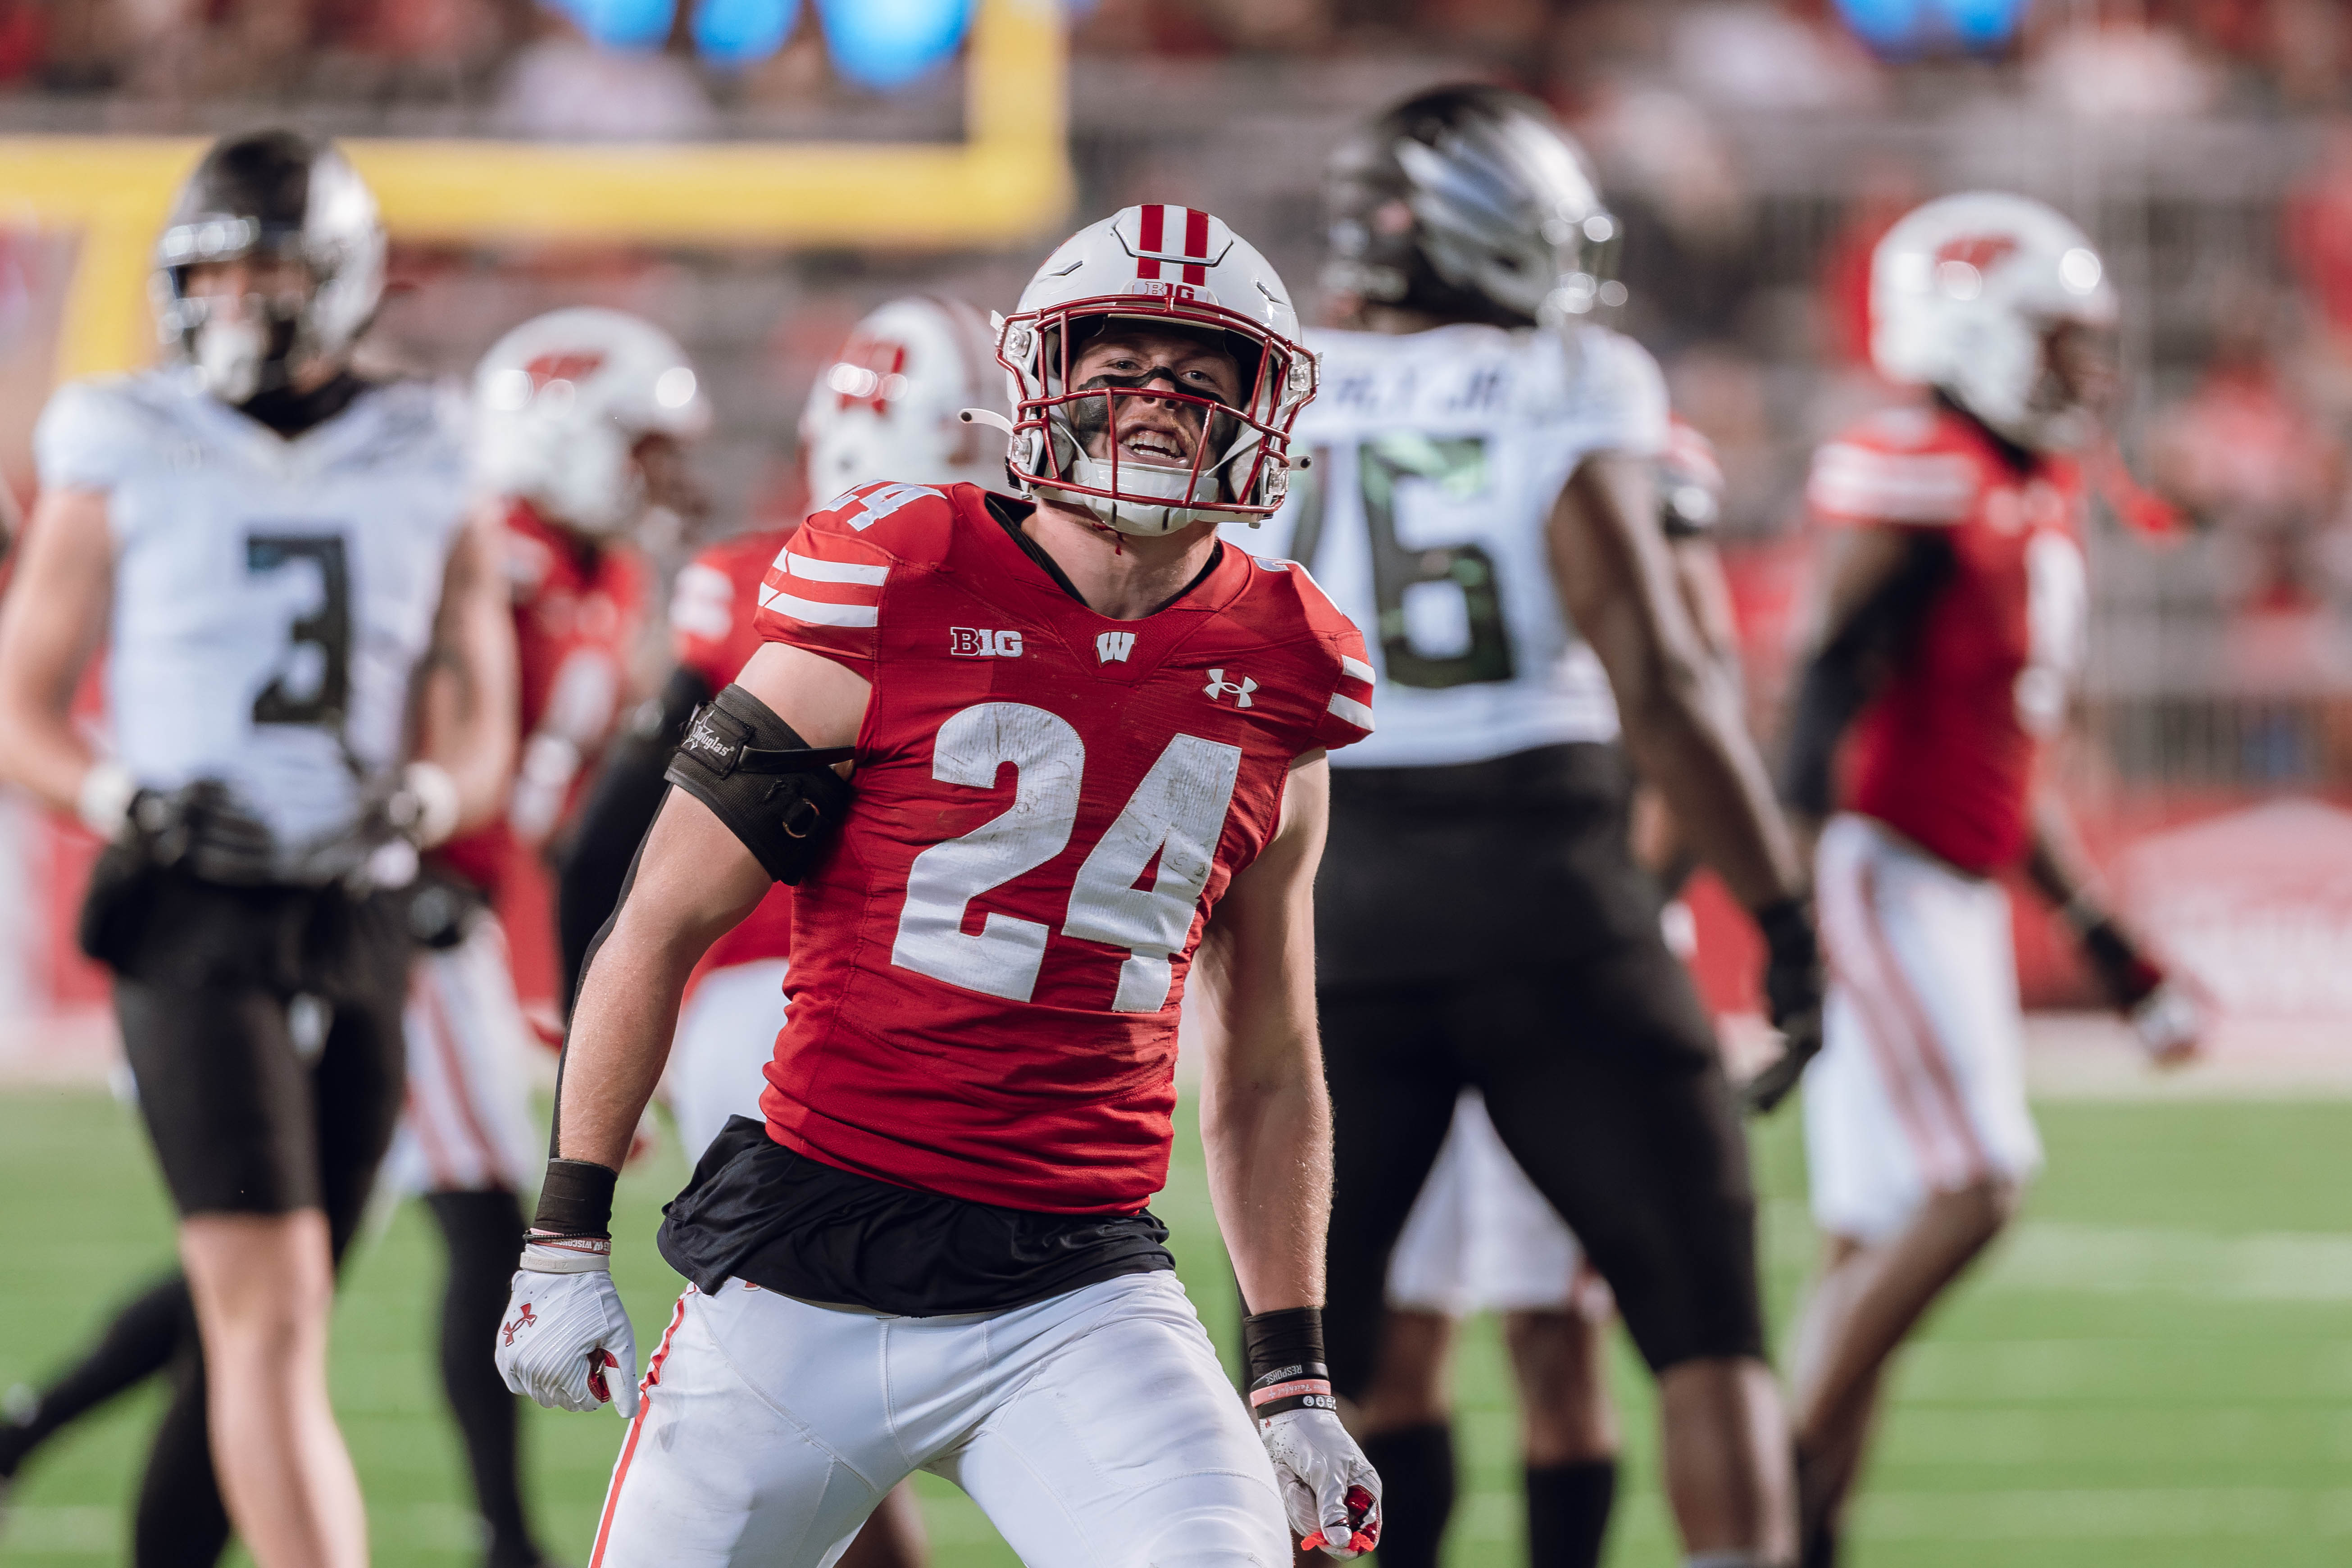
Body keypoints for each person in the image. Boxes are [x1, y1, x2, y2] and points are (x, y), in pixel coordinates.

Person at [497, 203, 1387, 1567]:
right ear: (1040, 387)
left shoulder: (1283, 664)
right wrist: (564, 1233)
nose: (1159, 413)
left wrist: (1292, 1373)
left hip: (1076, 1282)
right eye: (1121, 376)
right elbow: (661, 917)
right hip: (803, 1264)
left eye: (1202, 383)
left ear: (1260, 413)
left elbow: (1268, 1056)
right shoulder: (896, 577)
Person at [1242, 85, 1825, 1568]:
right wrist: (1781, 911)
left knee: (1309, 1370)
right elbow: (1663, 678)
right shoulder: (1571, 380)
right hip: (1550, 885)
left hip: (1328, 903)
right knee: (1706, 1332)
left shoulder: (1272, 386)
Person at [0, 128, 516, 1568]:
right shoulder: (121, 433)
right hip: (190, 905)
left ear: (341, 279)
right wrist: (116, 797)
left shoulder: (426, 439)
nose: (235, 300)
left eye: (268, 269)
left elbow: (482, 704)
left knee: (286, 1302)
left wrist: (427, 796)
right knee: (271, 1306)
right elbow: (16, 701)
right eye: (211, 273)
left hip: (355, 900)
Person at [1778, 191, 2201, 1568]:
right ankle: (1761, 1488)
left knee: (1871, 1240)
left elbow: (2004, 770)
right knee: (1977, 1183)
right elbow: (1817, 688)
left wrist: (2108, 944)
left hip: (1940, 884)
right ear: (1974, 332)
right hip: (1877, 873)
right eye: (2059, 339)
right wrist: (1784, 910)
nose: (2089, 370)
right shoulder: (1925, 468)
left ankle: (1797, 1536)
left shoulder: (2026, 490)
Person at [556, 292, 1008, 1568]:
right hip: (823, 1016)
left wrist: (577, 1034)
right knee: (845, 1373)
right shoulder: (828, 586)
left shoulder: (762, 574)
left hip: (772, 1023)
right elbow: (620, 851)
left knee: (821, 1388)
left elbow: (607, 848)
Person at [1356, 418, 1742, 1568]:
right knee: (1392, 1348)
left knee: (1550, 1340)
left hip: (1568, 977)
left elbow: (1694, 712)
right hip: (1424, 955)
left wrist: (1608, 915)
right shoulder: (1470, 468)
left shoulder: (1627, 456)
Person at [379, 305, 711, 1568]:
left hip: (458, 923)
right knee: (447, 1229)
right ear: (566, 430)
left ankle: (33, 1427)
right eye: (636, 444)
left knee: (275, 1262)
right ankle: (507, 1540)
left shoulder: (605, 575)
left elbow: (558, 833)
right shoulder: (487, 549)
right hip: (402, 917)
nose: (654, 475)